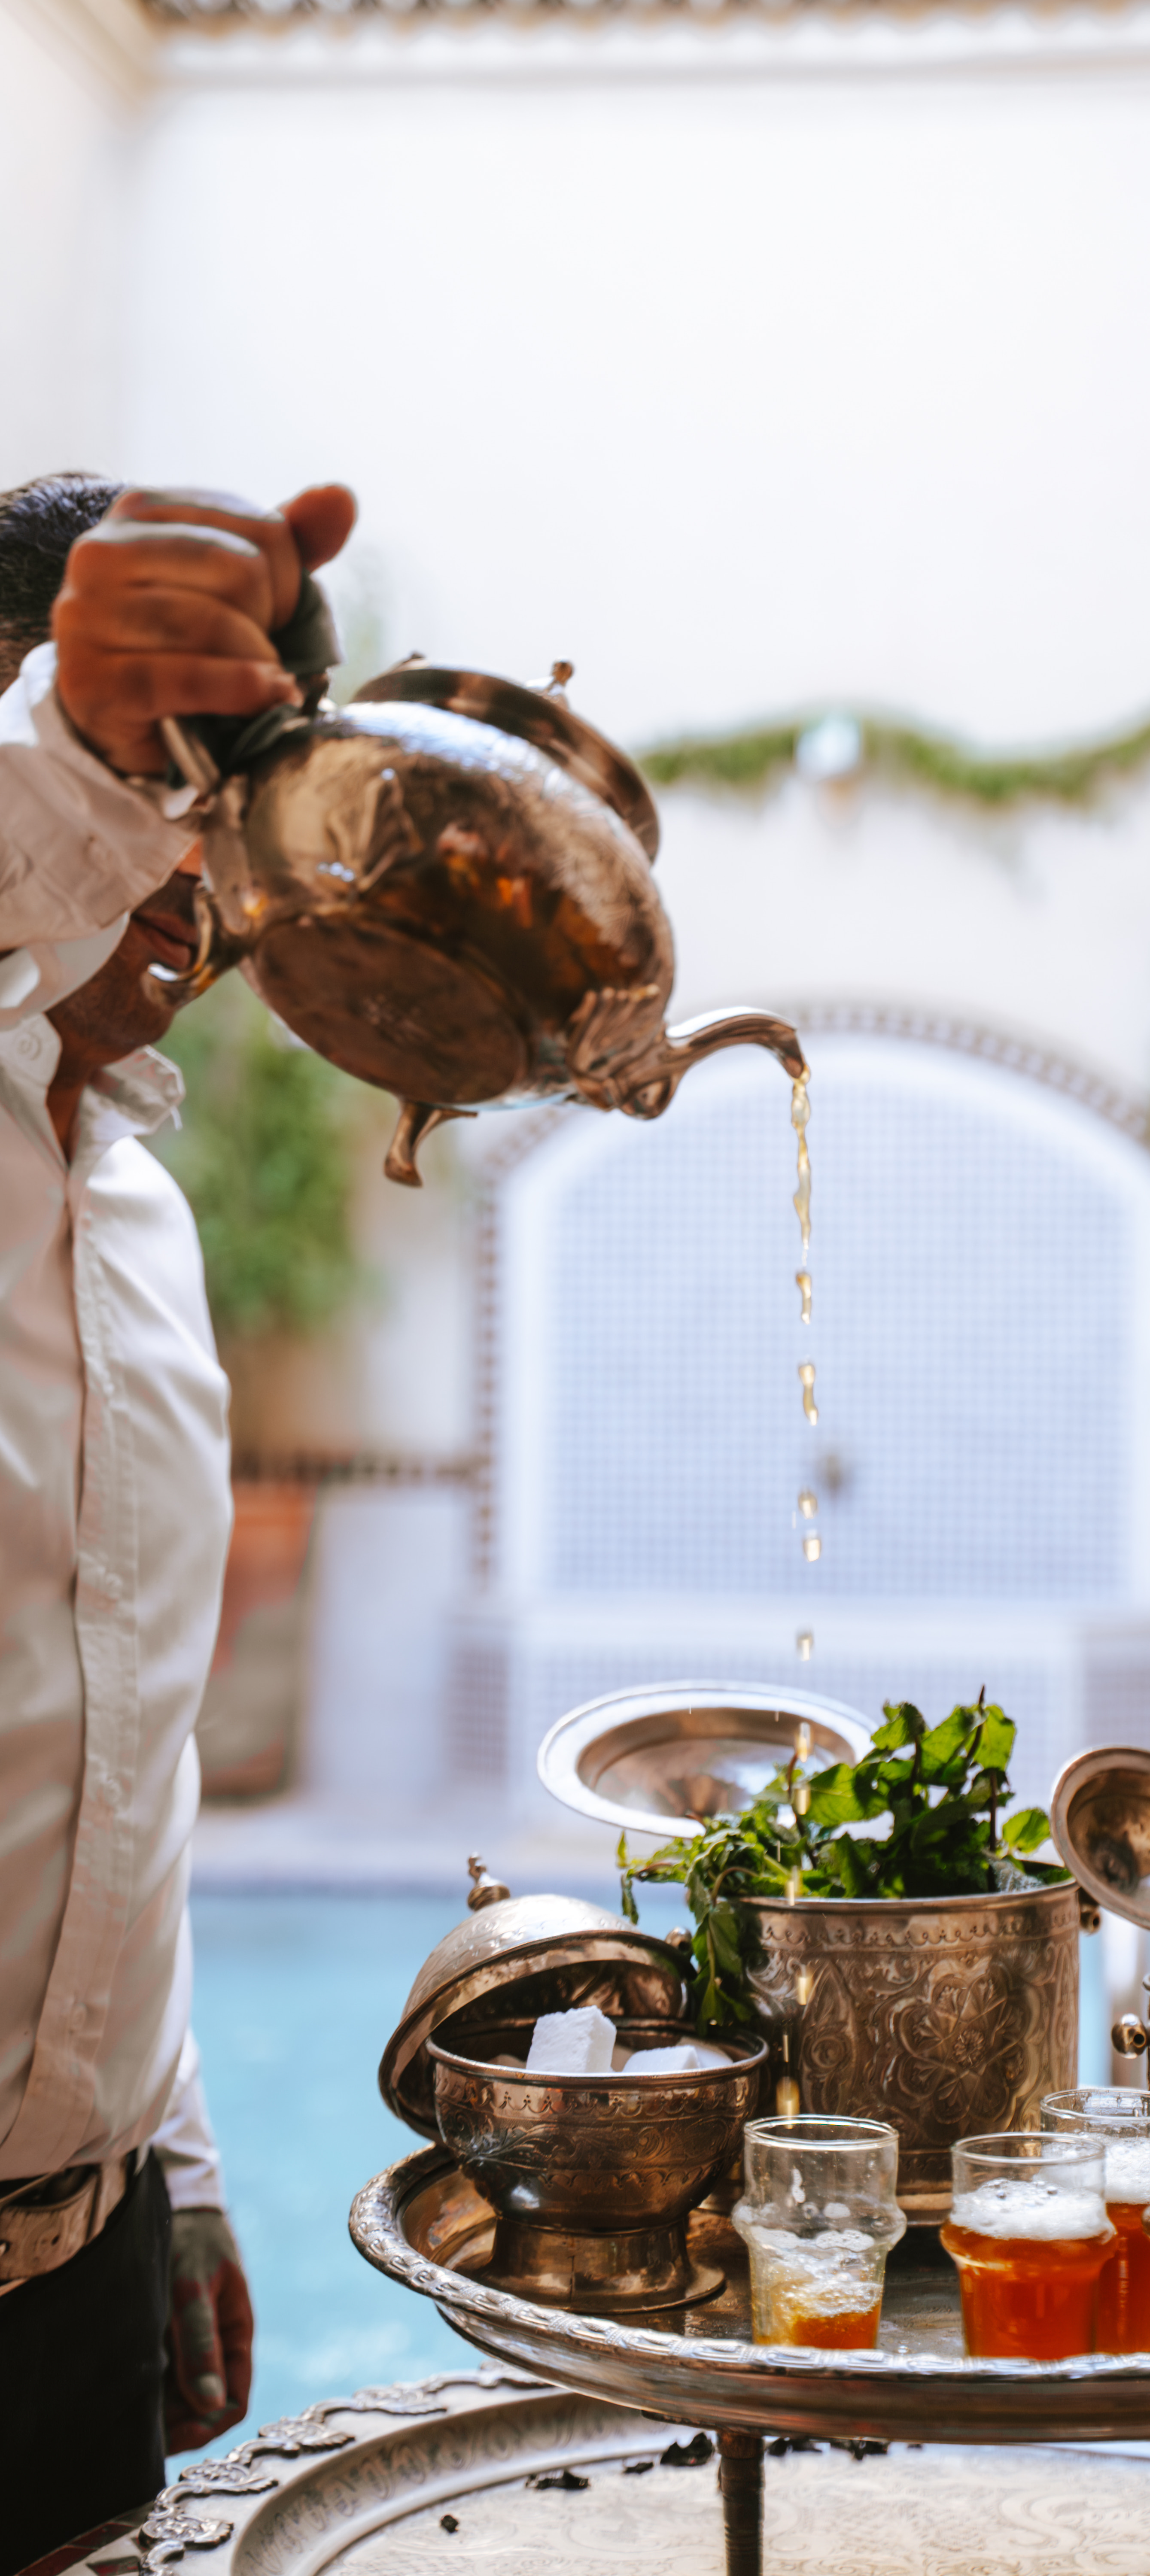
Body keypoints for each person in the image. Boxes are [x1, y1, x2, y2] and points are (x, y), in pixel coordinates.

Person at [0, 471, 356, 2574]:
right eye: (141, 785)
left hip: (84, 2267)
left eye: (214, 806)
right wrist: (74, 743)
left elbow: (111, 1751)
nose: (180, 862)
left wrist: (174, 2151)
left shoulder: (140, 1218)